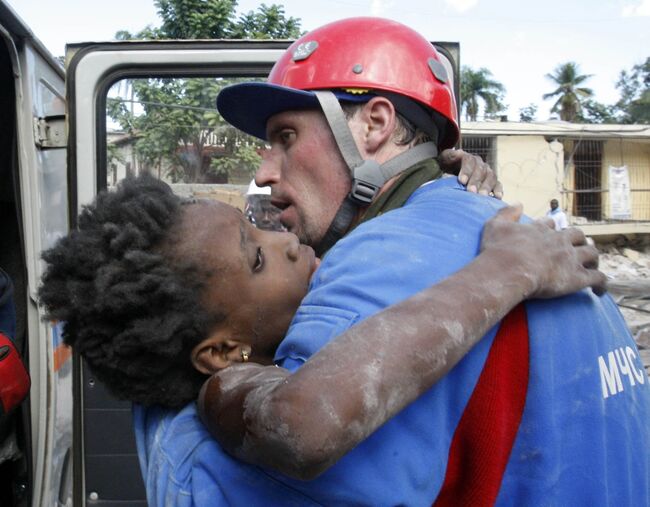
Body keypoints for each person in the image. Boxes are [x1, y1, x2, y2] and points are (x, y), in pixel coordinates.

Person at [199, 16, 650, 506]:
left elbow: (291, 442)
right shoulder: (523, 232)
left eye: (286, 137)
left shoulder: (383, 257)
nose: (264, 173)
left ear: (374, 125)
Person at [37, 174, 605, 506]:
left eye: (257, 223)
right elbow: (304, 424)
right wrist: (510, 269)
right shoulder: (222, 395)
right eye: (256, 257)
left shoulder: (199, 360)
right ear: (217, 353)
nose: (283, 238)